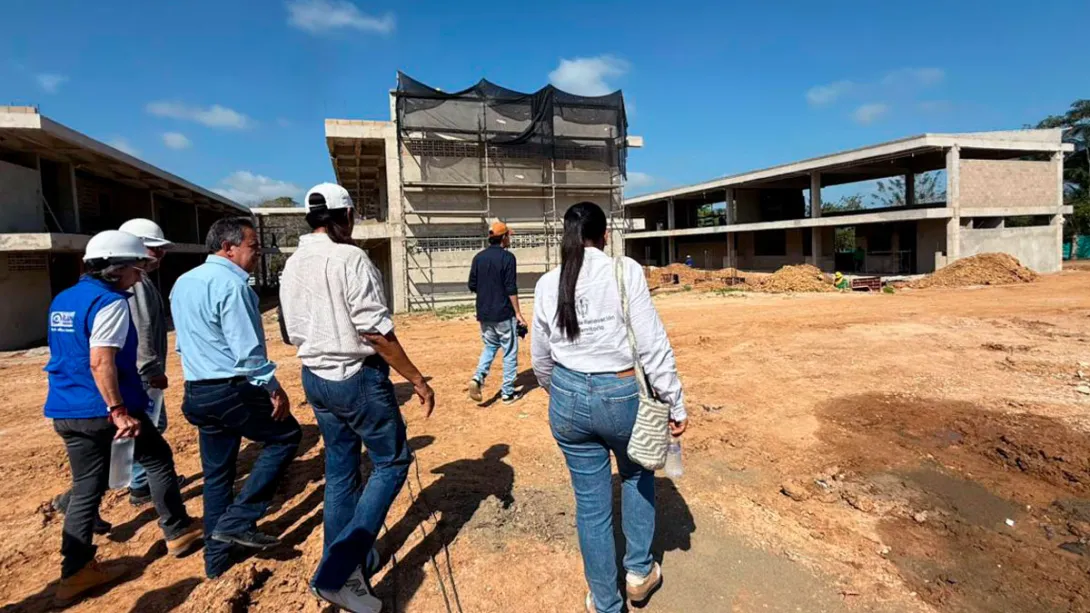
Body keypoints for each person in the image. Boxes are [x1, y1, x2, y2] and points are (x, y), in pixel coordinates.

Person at [280, 183, 435, 613]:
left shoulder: (292, 263)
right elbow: (376, 333)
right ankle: (338, 574)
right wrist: (417, 380)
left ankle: (346, 563)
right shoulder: (350, 258)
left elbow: (290, 332)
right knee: (392, 462)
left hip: (316, 378)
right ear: (345, 216)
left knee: (341, 471)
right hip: (356, 377)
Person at [531, 202, 688, 613]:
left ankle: (605, 602)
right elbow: (652, 344)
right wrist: (674, 401)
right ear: (605, 236)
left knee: (590, 504)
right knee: (636, 475)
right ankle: (638, 573)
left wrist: (559, 391)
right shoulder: (624, 270)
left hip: (567, 394)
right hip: (621, 394)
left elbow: (540, 358)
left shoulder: (547, 283)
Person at [44, 231, 200, 606]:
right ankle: (178, 530)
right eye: (136, 268)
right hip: (103, 408)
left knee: (86, 488)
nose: (138, 276)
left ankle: (75, 571)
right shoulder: (110, 302)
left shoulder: (64, 298)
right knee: (157, 460)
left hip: (66, 407)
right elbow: (101, 361)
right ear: (117, 269)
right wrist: (118, 411)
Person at [170, 217, 303, 579]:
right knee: (287, 436)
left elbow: (183, 342)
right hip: (231, 389)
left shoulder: (184, 282)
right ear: (228, 248)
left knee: (217, 477)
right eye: (253, 247)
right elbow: (248, 351)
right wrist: (272, 387)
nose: (257, 254)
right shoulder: (233, 286)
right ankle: (239, 519)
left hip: (197, 390)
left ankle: (216, 560)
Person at [117, 218, 184, 505]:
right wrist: (151, 369)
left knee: (147, 426)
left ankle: (141, 480)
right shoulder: (136, 284)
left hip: (136, 372)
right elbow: (142, 327)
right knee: (151, 426)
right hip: (141, 374)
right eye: (154, 248)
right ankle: (143, 482)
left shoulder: (136, 280)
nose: (160, 254)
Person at [467, 221, 526, 404]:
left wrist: (488, 292)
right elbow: (511, 287)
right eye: (508, 236)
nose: (510, 239)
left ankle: (478, 377)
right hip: (503, 313)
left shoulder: (478, 258)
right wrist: (518, 313)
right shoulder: (508, 258)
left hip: (484, 312)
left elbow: (472, 285)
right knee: (509, 351)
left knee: (490, 346)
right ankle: (507, 393)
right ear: (503, 237)